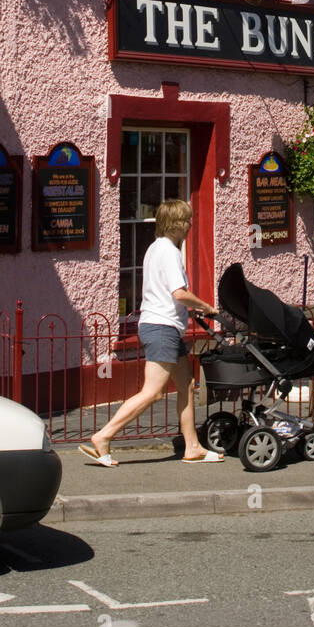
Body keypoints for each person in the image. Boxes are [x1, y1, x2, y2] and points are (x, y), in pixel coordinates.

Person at [79, 198, 224, 465]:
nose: (191, 224)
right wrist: (205, 307)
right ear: (177, 224)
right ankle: (103, 435)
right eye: (187, 220)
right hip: (162, 328)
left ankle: (192, 447)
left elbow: (165, 294)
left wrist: (187, 311)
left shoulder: (155, 249)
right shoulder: (169, 252)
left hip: (162, 324)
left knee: (186, 384)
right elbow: (179, 293)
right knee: (153, 392)